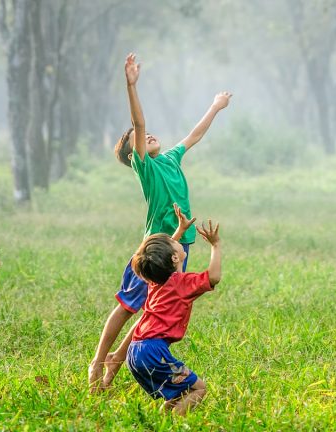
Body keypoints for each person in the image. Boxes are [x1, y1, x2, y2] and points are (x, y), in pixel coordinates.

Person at [88, 52, 231, 392]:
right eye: (137, 138)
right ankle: (98, 362)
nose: (147, 134)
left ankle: (113, 369)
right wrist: (131, 85)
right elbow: (138, 123)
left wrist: (215, 106)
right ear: (132, 153)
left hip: (179, 245)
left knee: (153, 310)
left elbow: (194, 135)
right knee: (127, 306)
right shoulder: (146, 167)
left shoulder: (169, 158)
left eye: (149, 134)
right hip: (155, 247)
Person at [127, 219, 221, 415]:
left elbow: (160, 257)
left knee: (177, 393)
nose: (175, 240)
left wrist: (180, 230)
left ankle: (162, 420)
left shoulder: (156, 280)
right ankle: (175, 423)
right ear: (174, 259)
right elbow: (214, 277)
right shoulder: (182, 283)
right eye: (174, 242)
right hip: (154, 353)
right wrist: (215, 245)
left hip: (135, 351)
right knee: (199, 388)